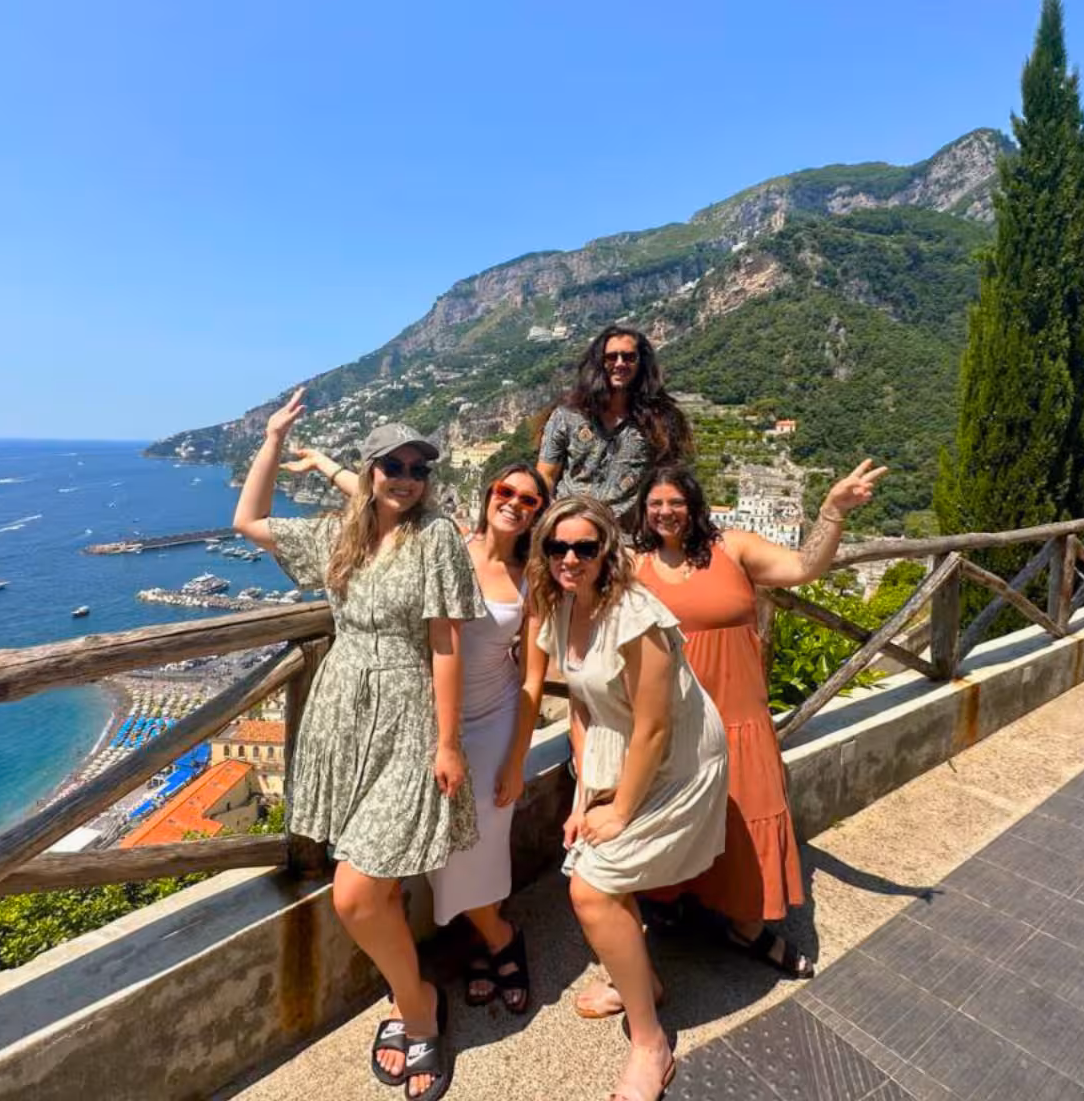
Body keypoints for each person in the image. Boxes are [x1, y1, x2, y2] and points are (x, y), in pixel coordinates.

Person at [234, 391, 480, 1101]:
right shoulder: (340, 536)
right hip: (343, 711)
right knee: (372, 878)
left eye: (419, 467)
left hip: (407, 716)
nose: (407, 477)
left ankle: (418, 1008)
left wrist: (448, 741)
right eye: (393, 466)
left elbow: (445, 643)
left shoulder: (434, 537)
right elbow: (246, 519)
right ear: (371, 470)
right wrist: (275, 439)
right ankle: (416, 997)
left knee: (357, 892)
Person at [285, 447, 552, 1013]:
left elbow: (532, 679)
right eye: (505, 493)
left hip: (494, 722)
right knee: (439, 848)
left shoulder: (533, 577)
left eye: (529, 500)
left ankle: (498, 939)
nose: (514, 505)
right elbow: (374, 490)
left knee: (476, 849)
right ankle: (482, 939)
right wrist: (320, 462)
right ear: (487, 497)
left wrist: (514, 761)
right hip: (429, 723)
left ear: (538, 512)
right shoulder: (444, 539)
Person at [631, 460, 887, 979]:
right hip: (671, 721)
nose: (665, 512)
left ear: (694, 505)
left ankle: (747, 926)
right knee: (670, 818)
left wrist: (832, 512)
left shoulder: (734, 547)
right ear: (643, 509)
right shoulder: (633, 563)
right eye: (655, 503)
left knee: (750, 813)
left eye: (676, 502)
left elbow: (803, 569)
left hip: (739, 713)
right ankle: (671, 904)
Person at [521, 495, 728, 1101]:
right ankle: (638, 979)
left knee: (590, 888)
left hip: (678, 762)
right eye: (558, 547)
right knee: (599, 867)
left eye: (585, 547)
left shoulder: (636, 615)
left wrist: (622, 808)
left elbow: (657, 727)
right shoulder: (561, 607)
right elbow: (583, 705)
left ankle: (649, 1041)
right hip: (621, 750)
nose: (570, 558)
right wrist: (587, 795)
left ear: (606, 550)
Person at [537, 325, 693, 524]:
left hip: (627, 539)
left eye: (629, 357)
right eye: (611, 357)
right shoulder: (566, 415)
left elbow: (669, 481)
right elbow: (545, 476)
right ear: (599, 363)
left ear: (641, 363)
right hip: (569, 532)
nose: (620, 363)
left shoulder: (662, 420)